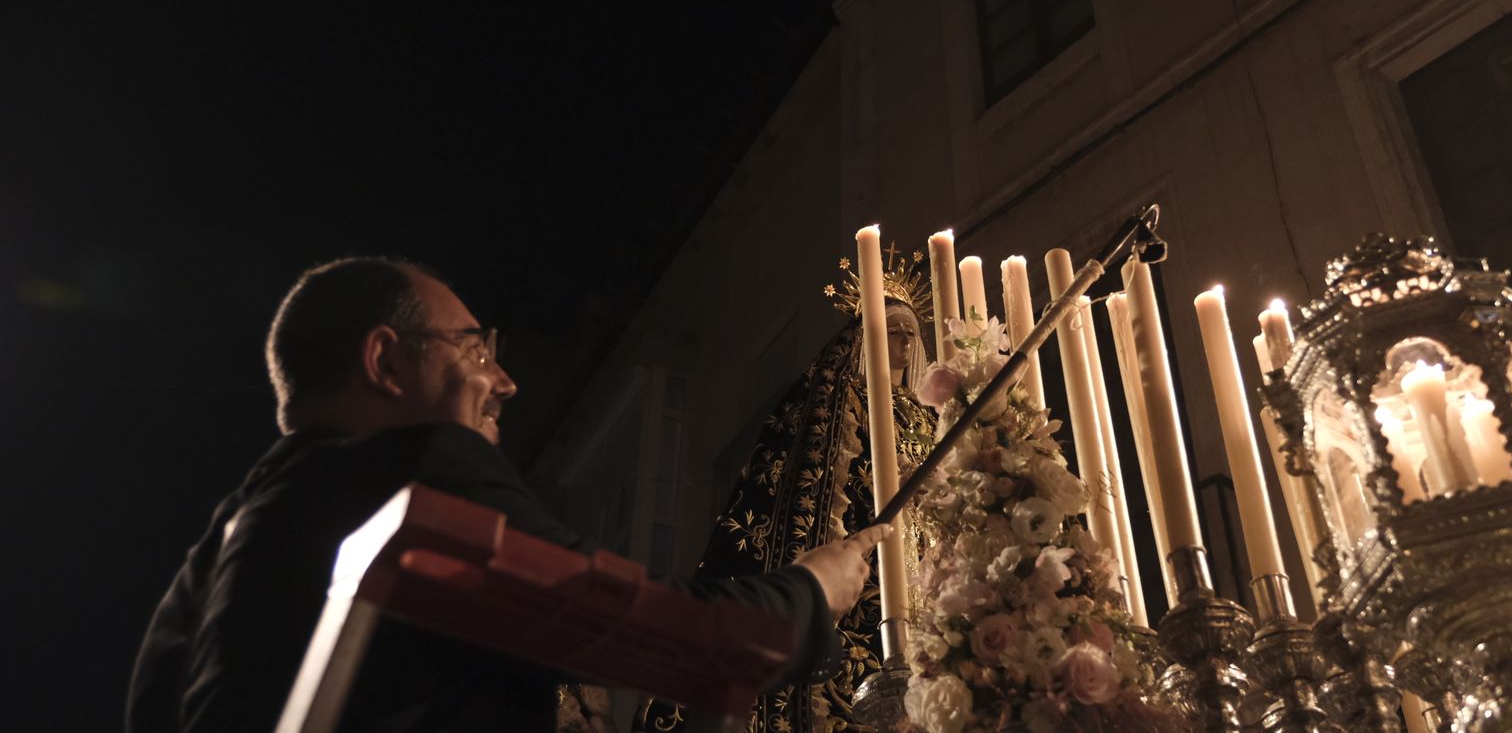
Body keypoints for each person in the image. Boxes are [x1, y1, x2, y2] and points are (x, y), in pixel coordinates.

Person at [126, 257, 889, 733]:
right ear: (385, 360)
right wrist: (810, 593)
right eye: (475, 349)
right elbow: (660, 630)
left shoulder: (221, 550)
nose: (505, 380)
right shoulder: (414, 463)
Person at [636, 252, 938, 733]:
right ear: (865, 339)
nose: (903, 340)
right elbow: (816, 479)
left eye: (910, 333)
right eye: (892, 330)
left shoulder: (928, 417)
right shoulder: (842, 401)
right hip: (870, 566)